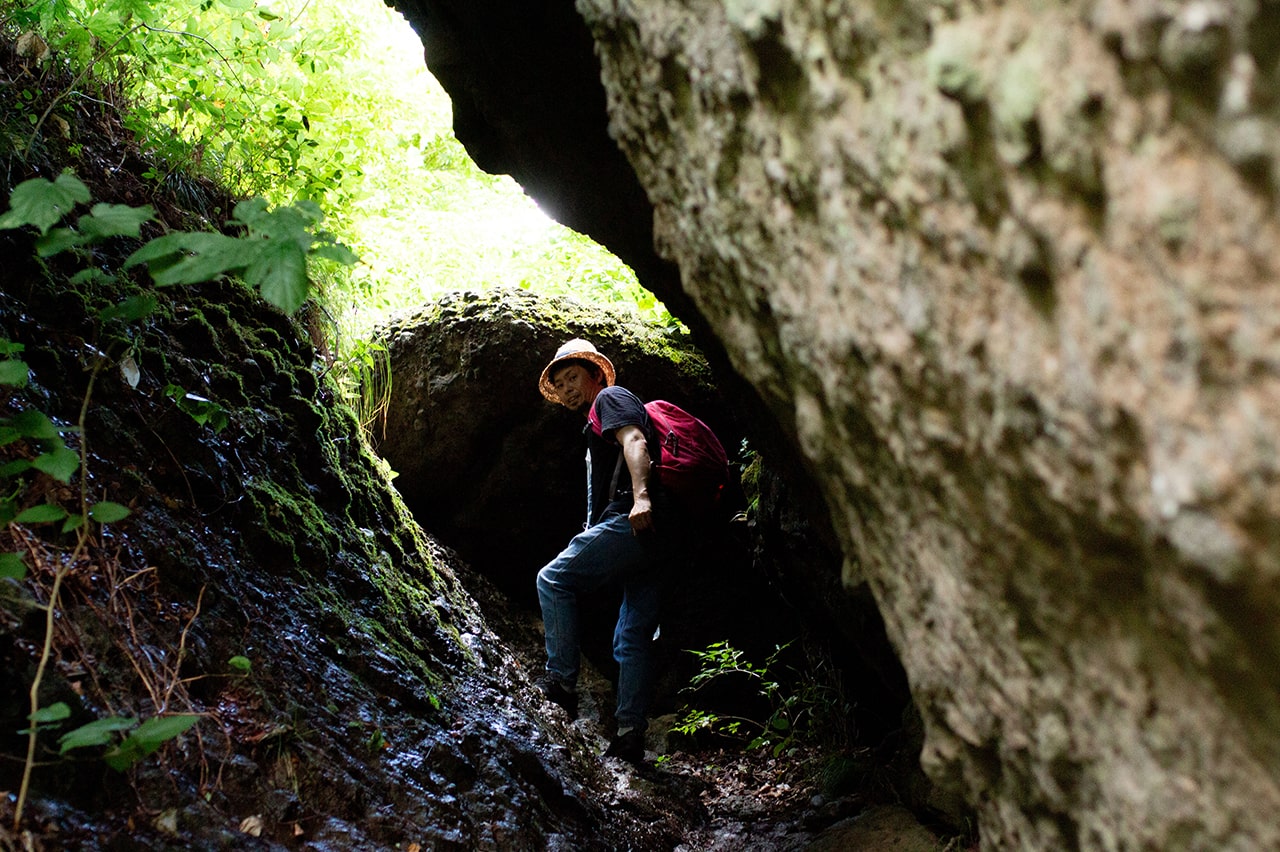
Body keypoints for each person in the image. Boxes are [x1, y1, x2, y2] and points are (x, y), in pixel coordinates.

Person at [534, 338, 671, 763]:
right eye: (559, 384)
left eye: (572, 377)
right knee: (631, 636)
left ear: (595, 374)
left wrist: (642, 497)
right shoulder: (593, 424)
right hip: (656, 538)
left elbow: (635, 441)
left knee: (553, 579)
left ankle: (561, 685)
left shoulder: (610, 398)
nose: (567, 388)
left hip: (634, 521)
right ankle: (630, 734)